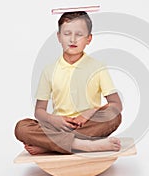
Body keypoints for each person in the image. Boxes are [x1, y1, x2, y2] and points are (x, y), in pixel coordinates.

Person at [14, 11, 123, 155]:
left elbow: (117, 105)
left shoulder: (98, 67)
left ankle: (50, 145)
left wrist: (87, 114)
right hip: (57, 127)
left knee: (114, 116)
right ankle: (82, 145)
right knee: (21, 127)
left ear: (89, 39)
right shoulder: (49, 70)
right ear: (59, 37)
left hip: (87, 126)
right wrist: (53, 119)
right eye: (67, 34)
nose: (72, 39)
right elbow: (39, 111)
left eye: (79, 34)